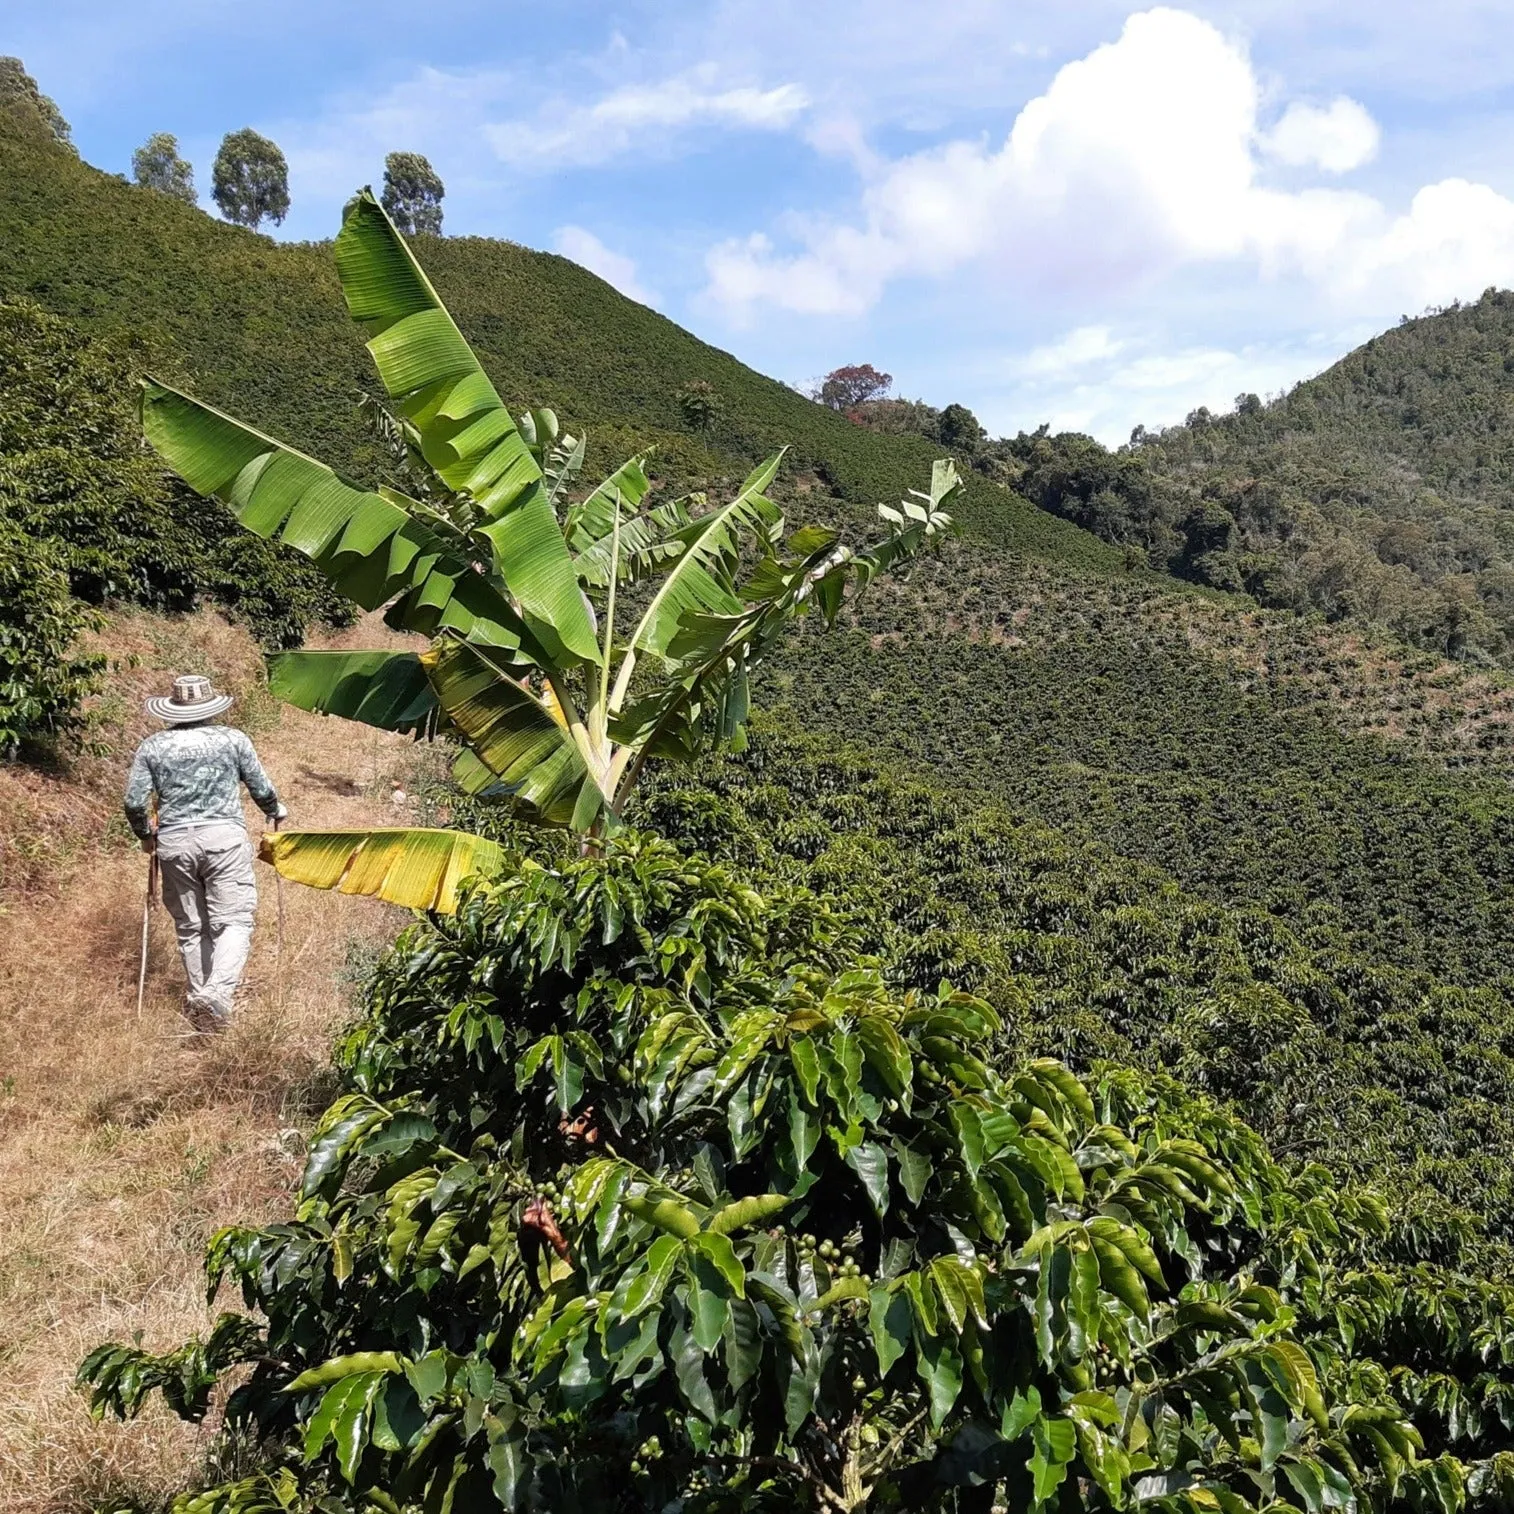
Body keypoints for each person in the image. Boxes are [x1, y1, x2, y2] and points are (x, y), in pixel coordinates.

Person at [123, 674, 288, 1032]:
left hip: (175, 842)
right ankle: (215, 994)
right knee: (235, 920)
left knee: (190, 926)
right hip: (223, 838)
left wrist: (145, 836)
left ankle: (205, 1009)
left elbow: (134, 802)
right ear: (210, 706)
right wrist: (275, 810)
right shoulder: (232, 739)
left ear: (175, 708)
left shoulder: (153, 746)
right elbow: (260, 787)